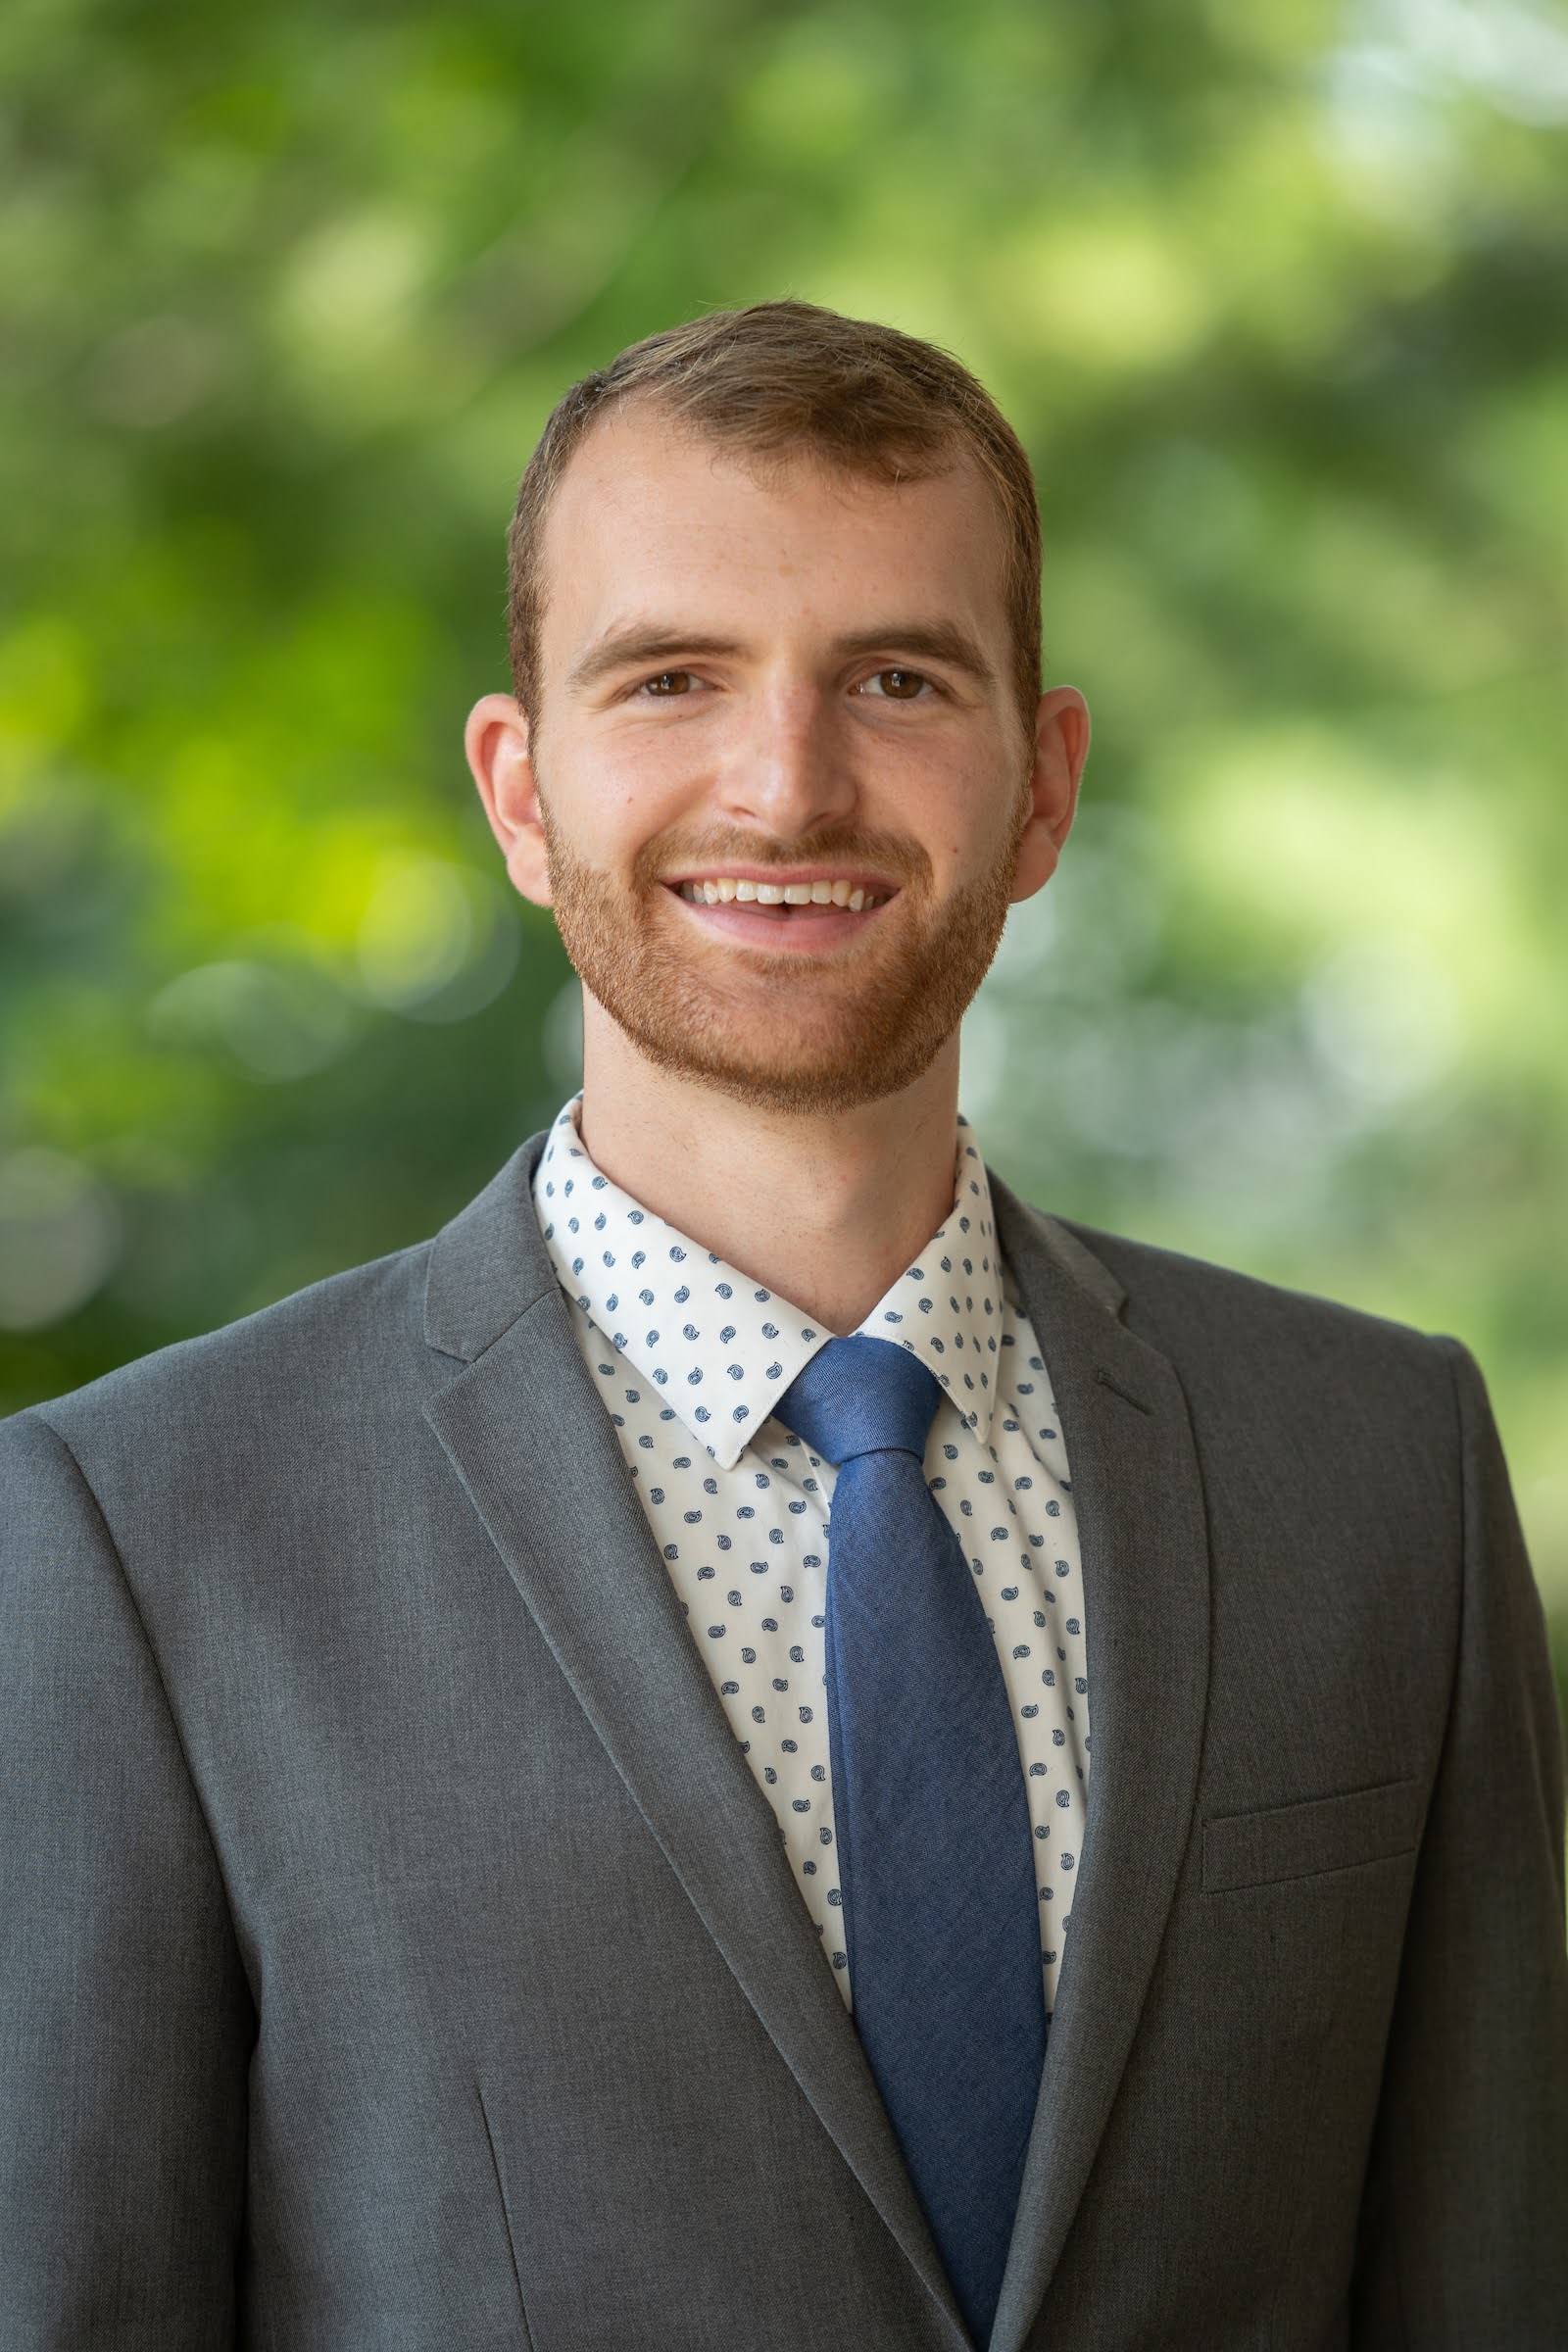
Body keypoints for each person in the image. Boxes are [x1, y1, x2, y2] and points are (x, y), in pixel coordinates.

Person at [2, 299, 1564, 2352]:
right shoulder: (140, 1535)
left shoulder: (1379, 1468)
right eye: (668, 680)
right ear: (518, 786)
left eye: (896, 678)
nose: (786, 781)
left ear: (1041, 782)